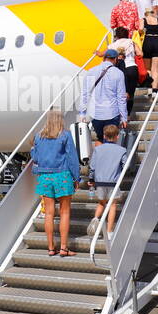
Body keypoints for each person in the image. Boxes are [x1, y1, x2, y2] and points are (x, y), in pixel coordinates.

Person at [31, 108, 81, 257]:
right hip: (62, 176)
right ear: (60, 119)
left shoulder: (38, 136)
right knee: (65, 212)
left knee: (49, 214)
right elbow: (72, 158)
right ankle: (64, 248)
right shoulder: (65, 135)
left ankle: (51, 248)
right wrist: (76, 177)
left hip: (45, 177)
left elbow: (35, 156)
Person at [86, 123, 128, 237]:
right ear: (117, 136)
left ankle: (95, 222)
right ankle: (109, 232)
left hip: (100, 182)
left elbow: (92, 166)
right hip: (113, 182)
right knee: (112, 205)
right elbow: (126, 165)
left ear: (104, 136)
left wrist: (91, 178)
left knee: (101, 203)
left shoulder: (98, 149)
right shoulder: (122, 150)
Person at [80, 49, 128, 147]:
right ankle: (109, 161)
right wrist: (124, 117)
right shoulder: (118, 73)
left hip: (96, 114)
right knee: (111, 140)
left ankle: (98, 160)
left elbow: (85, 94)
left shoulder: (90, 71)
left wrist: (82, 113)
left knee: (100, 138)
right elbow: (121, 98)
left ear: (104, 58)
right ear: (115, 59)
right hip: (112, 113)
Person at [108, 26, 140, 117]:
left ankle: (120, 117)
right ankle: (128, 116)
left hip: (119, 70)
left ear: (116, 36)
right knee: (130, 94)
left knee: (119, 95)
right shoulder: (131, 42)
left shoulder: (112, 45)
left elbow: (105, 54)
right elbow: (140, 53)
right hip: (132, 68)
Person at [141, 6, 158, 90]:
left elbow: (140, 30)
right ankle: (155, 90)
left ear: (145, 13)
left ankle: (149, 89)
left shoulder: (143, 20)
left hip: (147, 42)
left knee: (148, 69)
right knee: (155, 69)